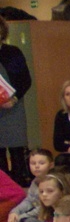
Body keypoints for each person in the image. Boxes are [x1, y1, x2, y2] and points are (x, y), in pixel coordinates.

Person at [0, 15, 33, 187]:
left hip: (12, 107)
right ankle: (4, 188)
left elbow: (25, 80)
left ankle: (20, 184)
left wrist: (13, 99)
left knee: (16, 149)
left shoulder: (13, 52)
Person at [4, 148, 54, 222]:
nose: (36, 166)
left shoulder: (52, 183)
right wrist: (15, 212)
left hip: (48, 219)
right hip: (38, 216)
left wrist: (21, 217)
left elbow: (43, 208)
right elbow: (29, 201)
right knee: (14, 219)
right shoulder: (35, 181)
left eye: (41, 163)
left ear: (51, 165)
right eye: (33, 163)